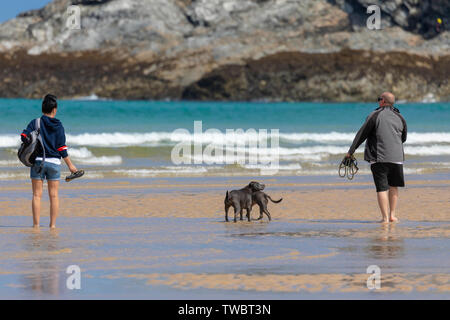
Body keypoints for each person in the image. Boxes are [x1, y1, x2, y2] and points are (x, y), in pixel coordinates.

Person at [346, 92, 407, 223]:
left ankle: (385, 218)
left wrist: (351, 151)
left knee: (382, 188)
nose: (378, 101)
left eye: (379, 99)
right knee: (394, 186)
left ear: (383, 101)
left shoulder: (374, 115)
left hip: (379, 158)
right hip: (397, 158)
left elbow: (361, 134)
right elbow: (404, 138)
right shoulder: (400, 117)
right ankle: (392, 215)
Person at [20, 94, 78, 229]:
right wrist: (70, 165)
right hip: (54, 164)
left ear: (42, 109)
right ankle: (52, 226)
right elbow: (61, 148)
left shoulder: (35, 122)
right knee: (54, 196)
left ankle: (36, 226)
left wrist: (33, 141)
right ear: (55, 109)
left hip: (38, 162)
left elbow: (23, 136)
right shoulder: (59, 125)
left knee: (36, 195)